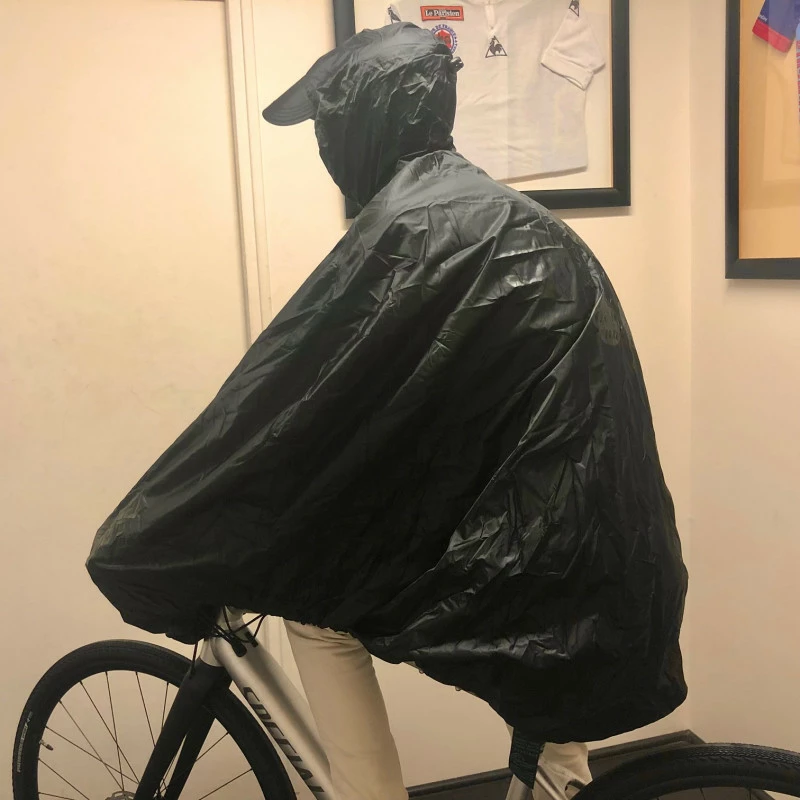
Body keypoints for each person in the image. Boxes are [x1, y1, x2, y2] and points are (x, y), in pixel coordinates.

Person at [88, 21, 687, 800]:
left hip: (531, 554)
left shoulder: (409, 229)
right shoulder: (523, 222)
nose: (324, 147)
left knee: (315, 615)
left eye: (327, 125)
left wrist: (158, 524)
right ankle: (562, 784)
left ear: (365, 119)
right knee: (546, 682)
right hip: (595, 550)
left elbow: (280, 404)